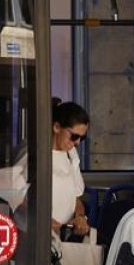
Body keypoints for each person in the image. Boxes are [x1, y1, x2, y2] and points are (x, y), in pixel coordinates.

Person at [51, 100, 90, 240]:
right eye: (74, 136)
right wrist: (44, 221)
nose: (77, 142)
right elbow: (19, 201)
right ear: (56, 127)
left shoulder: (71, 154)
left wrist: (80, 216)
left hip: (63, 237)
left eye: (82, 138)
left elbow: (75, 198)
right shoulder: (35, 155)